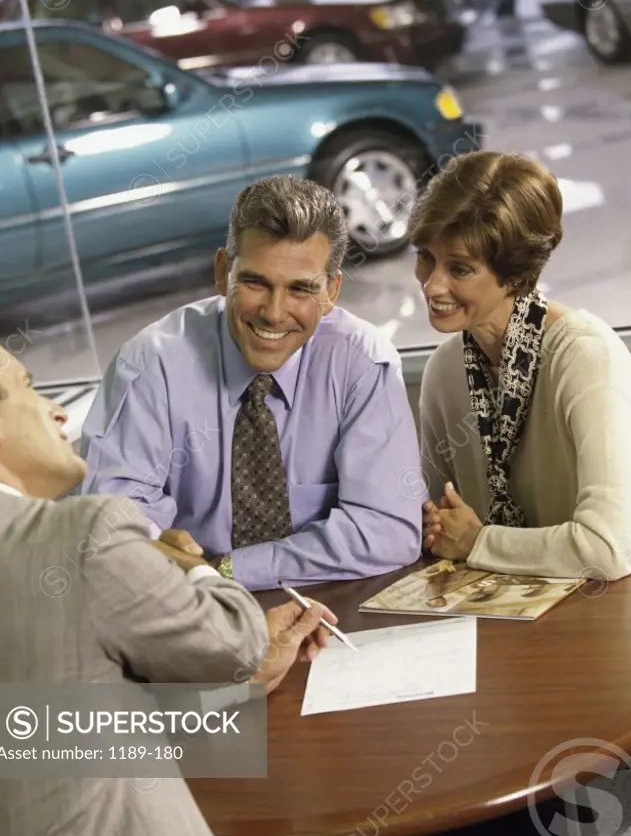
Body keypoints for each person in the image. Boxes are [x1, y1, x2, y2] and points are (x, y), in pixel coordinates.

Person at [0, 315, 336, 836]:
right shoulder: (80, 535)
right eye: (31, 387)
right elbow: (236, 641)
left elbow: (33, 733)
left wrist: (233, 690)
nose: (57, 413)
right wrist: (185, 560)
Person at [81, 175, 424, 591]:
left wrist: (225, 569)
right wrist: (163, 552)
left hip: (326, 598)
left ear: (331, 291)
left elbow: (388, 531)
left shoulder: (361, 363)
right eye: (255, 283)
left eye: (301, 289)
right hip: (192, 606)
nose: (274, 313)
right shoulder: (151, 365)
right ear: (223, 270)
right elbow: (110, 524)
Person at [412, 150, 631, 580]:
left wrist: (478, 541)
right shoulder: (443, 372)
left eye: (460, 268)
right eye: (426, 257)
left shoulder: (585, 356)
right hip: (512, 597)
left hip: (630, 598)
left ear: (516, 275)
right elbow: (440, 525)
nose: (432, 284)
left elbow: (608, 549)